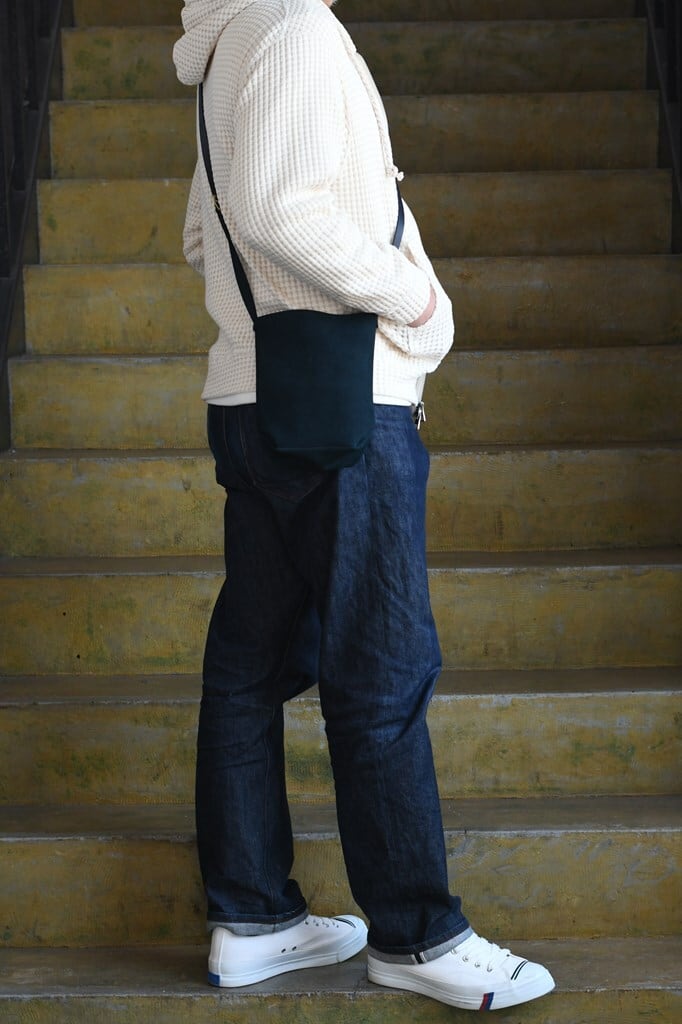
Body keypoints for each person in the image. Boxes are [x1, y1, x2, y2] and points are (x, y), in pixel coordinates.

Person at [173, 0, 555, 1012]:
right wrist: (413, 296)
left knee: (249, 664)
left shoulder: (232, 41)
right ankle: (417, 935)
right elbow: (278, 213)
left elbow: (203, 234)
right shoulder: (294, 25)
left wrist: (259, 318)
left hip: (251, 402)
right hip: (343, 405)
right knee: (382, 668)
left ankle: (253, 918)